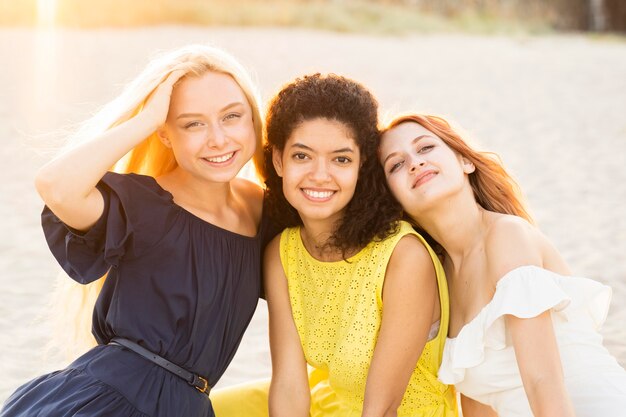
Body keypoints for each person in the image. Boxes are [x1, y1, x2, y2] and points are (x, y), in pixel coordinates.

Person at [1, 44, 275, 417]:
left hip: (188, 405)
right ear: (165, 134)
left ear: (253, 119)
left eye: (231, 116)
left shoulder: (264, 211)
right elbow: (56, 186)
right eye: (192, 123)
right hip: (108, 401)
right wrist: (144, 121)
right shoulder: (145, 205)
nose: (218, 139)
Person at [212, 74, 457, 417]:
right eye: (302, 156)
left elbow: (382, 408)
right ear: (279, 160)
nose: (320, 175)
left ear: (361, 167)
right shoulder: (282, 253)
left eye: (341, 159)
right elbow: (288, 383)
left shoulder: (403, 255)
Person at [378, 113, 626, 417]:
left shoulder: (507, 236)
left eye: (426, 148)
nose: (414, 163)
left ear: (465, 162)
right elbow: (480, 401)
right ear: (395, 201)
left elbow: (542, 383)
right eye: (396, 164)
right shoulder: (439, 279)